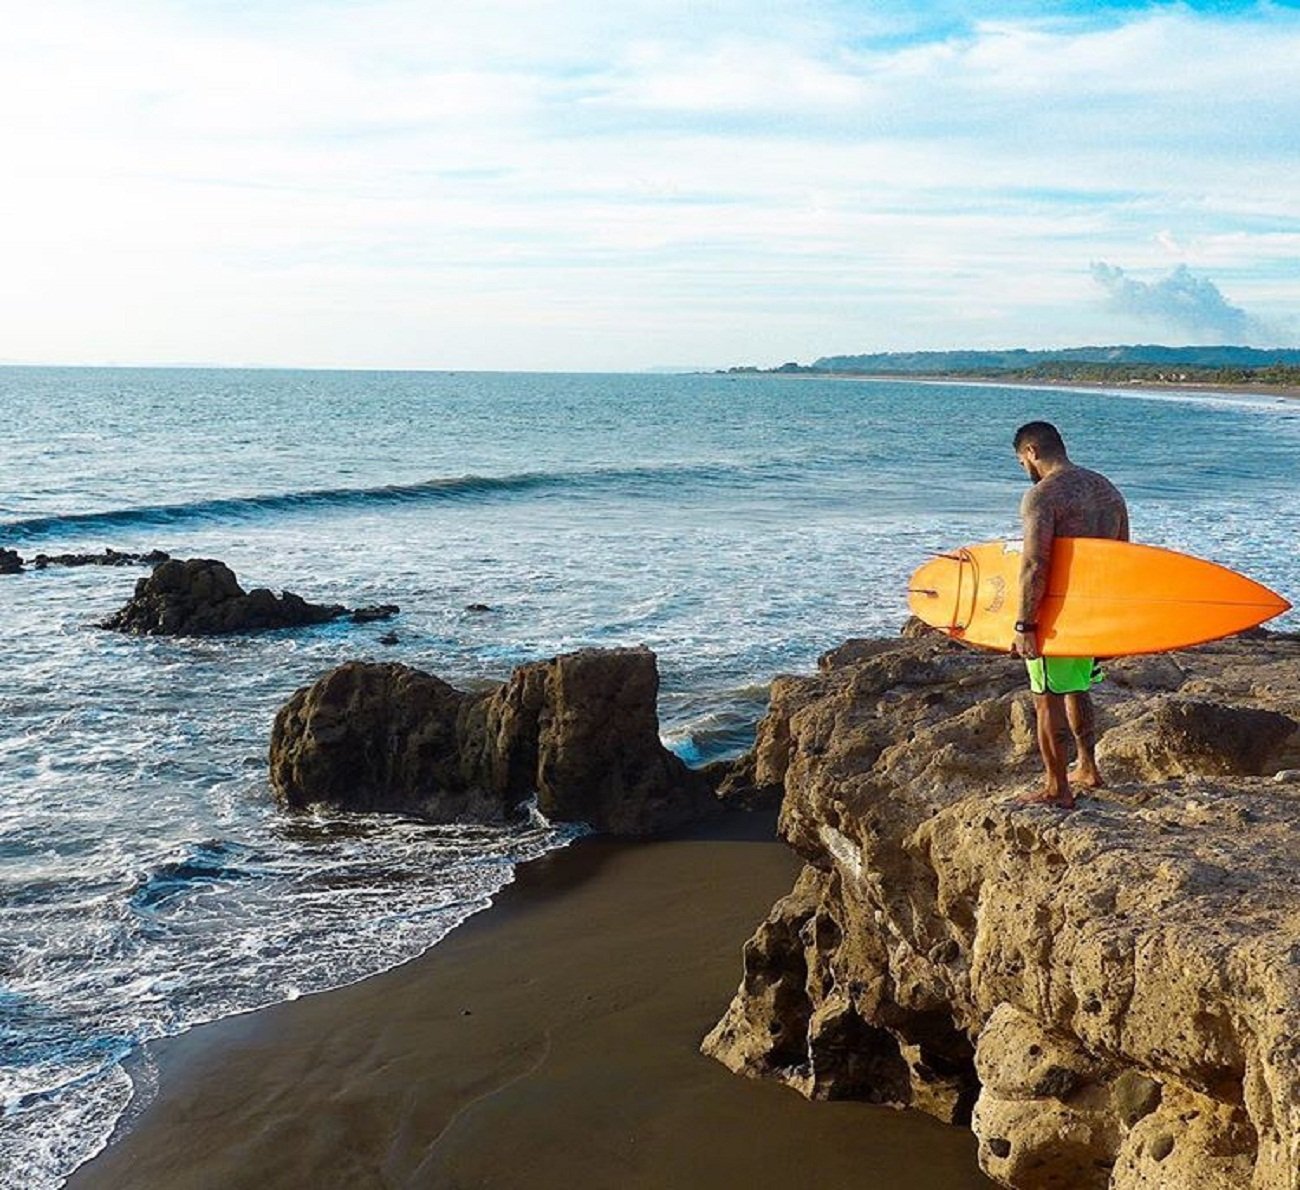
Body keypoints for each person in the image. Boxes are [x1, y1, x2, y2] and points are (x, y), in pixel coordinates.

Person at [1010, 421, 1129, 808]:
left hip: (1056, 614)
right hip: (1092, 611)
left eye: (1020, 461)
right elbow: (1124, 559)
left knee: (1046, 697)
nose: (1024, 469)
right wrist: (1113, 623)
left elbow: (1034, 564)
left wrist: (1026, 624)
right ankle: (1088, 768)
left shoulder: (1043, 496)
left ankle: (1056, 788)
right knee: (1078, 687)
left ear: (1031, 451)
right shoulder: (1107, 490)